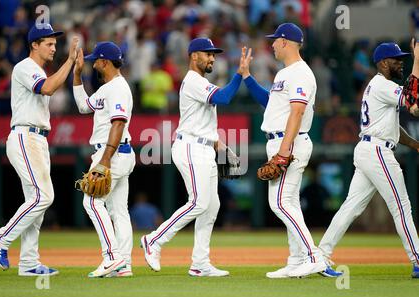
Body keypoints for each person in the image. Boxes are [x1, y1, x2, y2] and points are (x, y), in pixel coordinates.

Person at [140, 37, 250, 277]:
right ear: (193, 56)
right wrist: (239, 74)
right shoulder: (192, 81)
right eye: (207, 53)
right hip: (189, 147)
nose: (212, 57)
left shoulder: (201, 81)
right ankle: (154, 240)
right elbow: (224, 98)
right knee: (199, 201)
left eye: (213, 54)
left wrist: (218, 143)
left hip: (203, 147)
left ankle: (200, 263)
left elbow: (201, 121)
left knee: (212, 206)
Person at [240, 23, 335, 278]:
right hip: (282, 141)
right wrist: (247, 77)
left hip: (290, 143)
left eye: (274, 40)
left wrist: (283, 151)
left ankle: (314, 257)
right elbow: (271, 104)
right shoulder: (285, 73)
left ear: (285, 42)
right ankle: (296, 261)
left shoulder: (301, 73)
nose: (271, 44)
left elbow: (297, 111)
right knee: (290, 202)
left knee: (280, 203)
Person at [319, 42, 419, 279]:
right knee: (401, 207)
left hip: (370, 148)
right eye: (396, 59)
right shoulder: (383, 85)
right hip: (377, 152)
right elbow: (411, 98)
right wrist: (418, 60)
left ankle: (320, 256)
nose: (401, 62)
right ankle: (417, 259)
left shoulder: (379, 86)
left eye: (403, 58)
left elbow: (393, 127)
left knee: (351, 207)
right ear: (383, 63)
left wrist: (415, 144)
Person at [0, 23, 78, 276]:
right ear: (34, 45)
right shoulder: (25, 67)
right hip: (25, 136)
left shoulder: (38, 70)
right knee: (43, 197)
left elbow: (47, 86)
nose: (53, 48)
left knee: (35, 203)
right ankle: (1, 239)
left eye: (55, 44)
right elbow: (47, 88)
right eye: (49, 43)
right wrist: (69, 61)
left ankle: (28, 263)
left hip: (37, 139)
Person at [73, 41, 135, 278]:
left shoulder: (118, 87)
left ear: (105, 62)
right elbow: (82, 106)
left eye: (95, 61)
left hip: (112, 153)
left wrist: (105, 160)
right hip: (118, 152)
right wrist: (77, 74)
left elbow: (118, 123)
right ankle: (124, 265)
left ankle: (112, 257)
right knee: (119, 210)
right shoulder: (106, 88)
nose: (93, 64)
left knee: (91, 202)